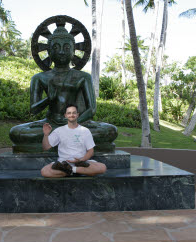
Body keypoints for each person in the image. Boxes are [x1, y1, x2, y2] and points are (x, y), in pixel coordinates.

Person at [9, 24, 117, 153]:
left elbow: (91, 109)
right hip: (51, 123)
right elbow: (34, 110)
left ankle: (58, 140)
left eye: (66, 47)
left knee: (110, 131)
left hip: (78, 123)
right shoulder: (39, 78)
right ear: (48, 51)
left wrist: (72, 123)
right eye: (56, 47)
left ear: (73, 51)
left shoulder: (83, 77)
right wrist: (49, 99)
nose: (61, 52)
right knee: (17, 133)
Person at [40, 104, 107, 177]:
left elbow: (91, 151)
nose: (71, 115)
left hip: (81, 163)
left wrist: (81, 159)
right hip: (62, 164)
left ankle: (71, 170)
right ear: (65, 115)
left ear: (77, 115)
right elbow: (45, 147)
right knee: (44, 171)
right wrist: (46, 135)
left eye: (74, 113)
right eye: (69, 113)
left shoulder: (85, 131)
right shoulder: (59, 131)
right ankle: (79, 171)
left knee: (102, 168)